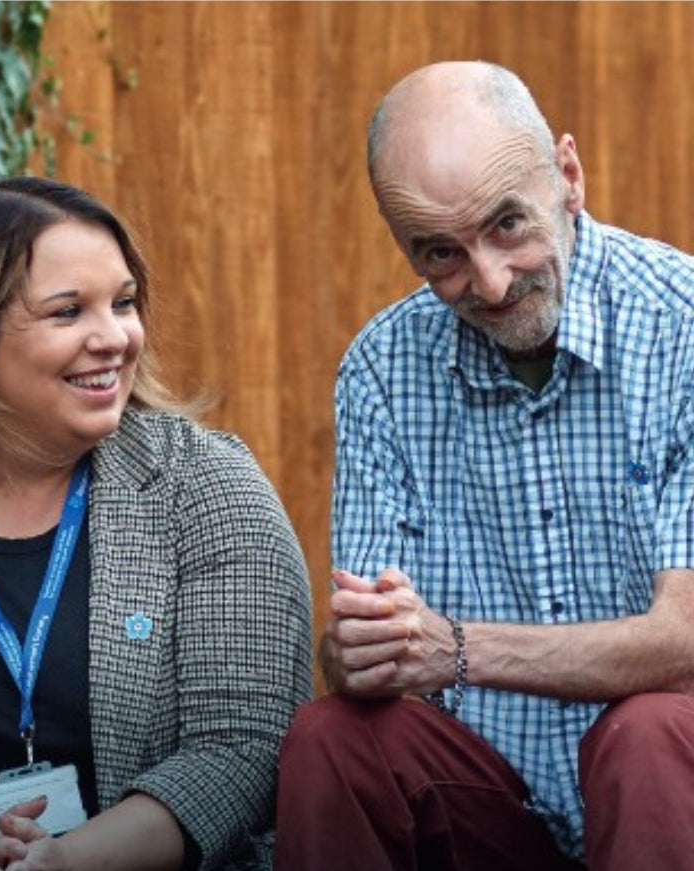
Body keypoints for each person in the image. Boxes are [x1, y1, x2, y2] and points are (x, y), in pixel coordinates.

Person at [274, 60, 694, 871]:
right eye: (441, 253)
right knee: (335, 738)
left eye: (507, 224)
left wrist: (456, 648)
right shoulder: (381, 370)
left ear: (568, 175)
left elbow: (686, 640)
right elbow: (363, 652)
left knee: (648, 732)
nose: (491, 282)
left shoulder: (682, 327)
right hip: (497, 804)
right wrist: (359, 653)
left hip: (671, 798)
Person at [0, 177, 312, 871]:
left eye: (123, 303)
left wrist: (68, 862)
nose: (115, 338)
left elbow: (244, 747)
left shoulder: (205, 488)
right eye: (68, 312)